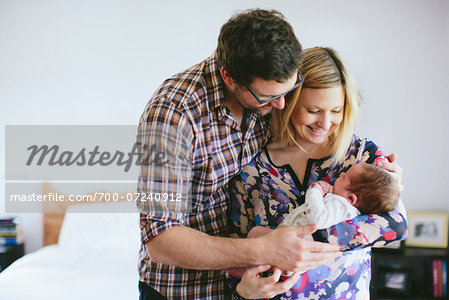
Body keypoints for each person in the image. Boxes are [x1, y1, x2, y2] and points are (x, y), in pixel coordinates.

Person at [136, 10, 342, 300]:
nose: (282, 105)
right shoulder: (173, 115)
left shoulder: (272, 93)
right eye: (268, 97)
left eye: (289, 90)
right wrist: (264, 249)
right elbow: (160, 240)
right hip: (184, 290)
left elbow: (320, 126)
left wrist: (376, 171)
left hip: (248, 290)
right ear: (228, 77)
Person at [228, 47, 408, 299]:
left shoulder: (360, 155)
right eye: (313, 110)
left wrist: (310, 240)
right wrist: (241, 293)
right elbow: (237, 247)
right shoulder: (252, 166)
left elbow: (396, 225)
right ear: (287, 102)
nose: (325, 123)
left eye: (336, 110)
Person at [227, 162, 400, 279]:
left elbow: (318, 218)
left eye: (344, 178)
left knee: (255, 245)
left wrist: (316, 191)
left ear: (352, 198)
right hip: (290, 243)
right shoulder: (342, 203)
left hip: (295, 246)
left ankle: (236, 269)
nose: (342, 174)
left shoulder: (341, 205)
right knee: (255, 241)